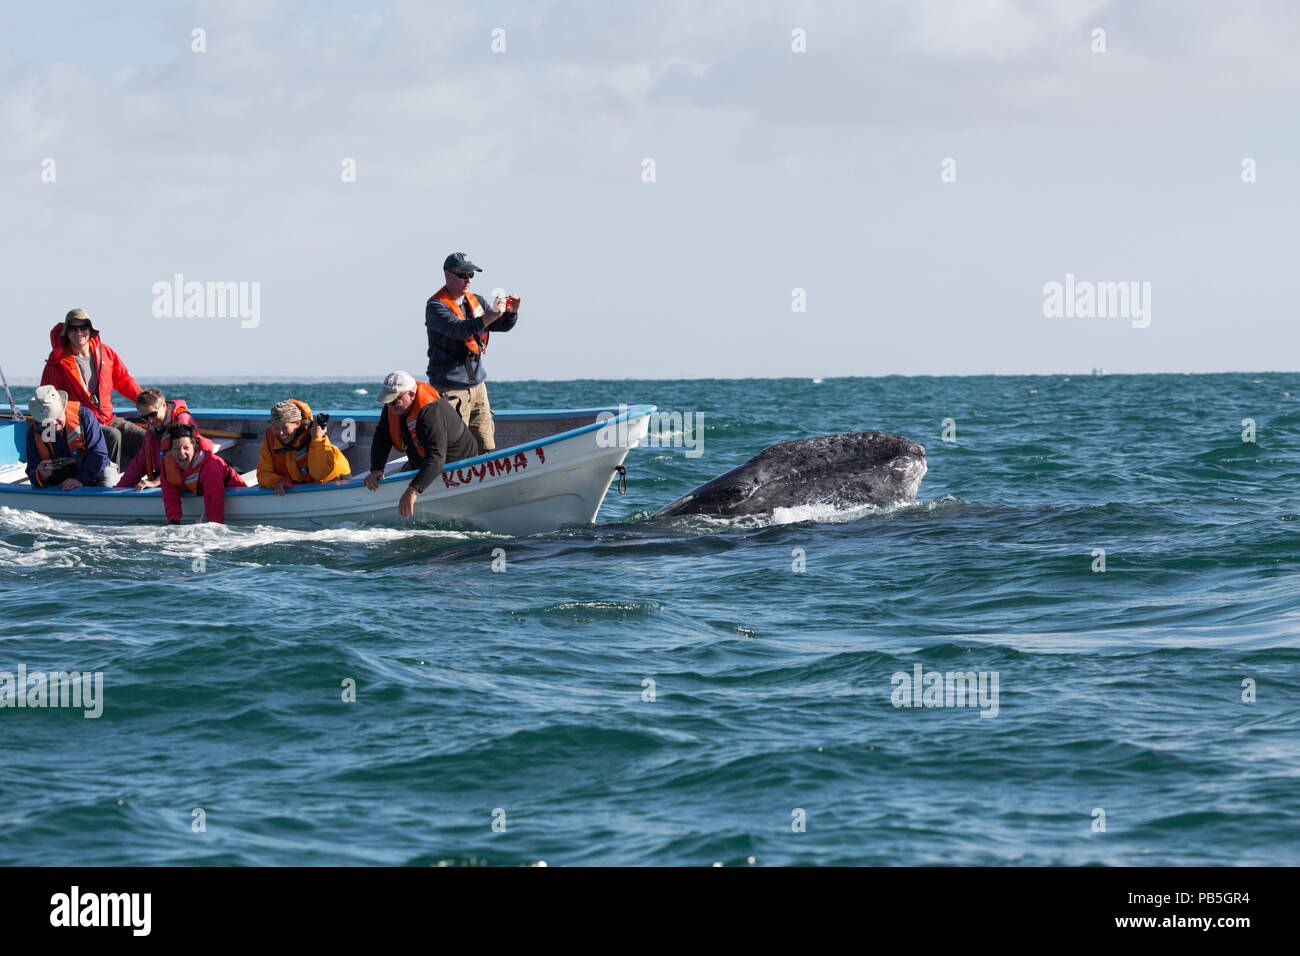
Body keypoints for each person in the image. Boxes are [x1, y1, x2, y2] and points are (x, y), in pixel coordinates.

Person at [424, 252, 520, 454]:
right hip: (451, 390)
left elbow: (499, 325)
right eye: (463, 275)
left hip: (478, 387)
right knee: (456, 447)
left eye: (471, 275)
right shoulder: (435, 306)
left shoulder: (476, 300)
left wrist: (511, 314)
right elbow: (459, 329)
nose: (468, 280)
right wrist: (492, 315)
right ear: (447, 275)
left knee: (485, 443)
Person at [363, 370, 479, 518]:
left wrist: (413, 490)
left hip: (456, 461)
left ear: (411, 394)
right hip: (422, 460)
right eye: (388, 402)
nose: (391, 407)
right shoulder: (392, 408)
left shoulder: (431, 414)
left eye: (394, 401)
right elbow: (382, 437)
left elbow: (436, 458)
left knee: (410, 489)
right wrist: (376, 469)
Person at [40, 308, 145, 470]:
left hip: (110, 419)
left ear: (90, 330)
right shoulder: (57, 363)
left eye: (83, 327)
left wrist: (150, 404)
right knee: (112, 436)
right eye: (73, 328)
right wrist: (50, 442)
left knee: (146, 439)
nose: (79, 332)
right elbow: (48, 402)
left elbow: (125, 382)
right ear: (66, 332)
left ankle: (155, 482)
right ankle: (109, 485)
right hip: (80, 427)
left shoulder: (106, 353)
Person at [24, 384, 120, 489]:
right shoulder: (34, 433)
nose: (53, 423)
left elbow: (99, 455)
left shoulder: (85, 416)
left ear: (63, 407)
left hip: (93, 473)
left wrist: (80, 480)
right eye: (48, 421)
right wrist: (40, 474)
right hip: (60, 480)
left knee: (109, 478)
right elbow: (32, 469)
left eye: (56, 416)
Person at [116, 388, 212, 491]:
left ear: (164, 406)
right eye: (145, 417)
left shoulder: (182, 422)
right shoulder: (152, 431)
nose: (150, 420)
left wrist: (156, 482)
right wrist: (117, 490)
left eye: (153, 414)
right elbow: (138, 464)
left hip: (186, 481)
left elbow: (185, 459)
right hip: (165, 479)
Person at [256, 399, 350, 494]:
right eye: (276, 428)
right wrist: (277, 482)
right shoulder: (271, 438)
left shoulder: (316, 433)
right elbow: (263, 473)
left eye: (284, 427)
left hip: (333, 480)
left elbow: (319, 473)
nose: (280, 432)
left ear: (297, 423)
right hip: (301, 485)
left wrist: (316, 440)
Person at [160, 425, 245, 524]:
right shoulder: (168, 464)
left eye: (186, 448)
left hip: (232, 494)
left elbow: (214, 508)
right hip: (197, 489)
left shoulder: (211, 466)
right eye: (176, 449)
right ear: (171, 450)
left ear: (195, 447)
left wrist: (214, 529)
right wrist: (174, 522)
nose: (181, 453)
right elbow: (170, 496)